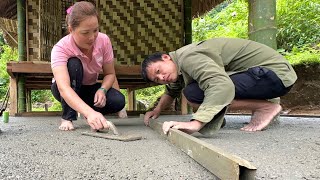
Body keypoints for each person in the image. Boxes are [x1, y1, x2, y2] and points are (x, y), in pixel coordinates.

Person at [141, 38, 297, 136]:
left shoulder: (188, 57)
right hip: (267, 77)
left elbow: (220, 85)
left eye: (159, 71)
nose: (161, 78)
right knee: (193, 91)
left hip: (274, 75)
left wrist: (196, 123)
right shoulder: (178, 67)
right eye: (157, 79)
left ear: (166, 57)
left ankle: (265, 108)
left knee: (194, 93)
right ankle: (263, 107)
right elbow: (172, 90)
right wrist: (157, 110)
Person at [51, 1, 127, 131]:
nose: (92, 37)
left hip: (88, 89)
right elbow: (63, 88)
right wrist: (90, 113)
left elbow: (110, 74)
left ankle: (85, 109)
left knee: (118, 101)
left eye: (95, 30)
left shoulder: (103, 40)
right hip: (65, 89)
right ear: (71, 30)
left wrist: (102, 90)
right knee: (73, 64)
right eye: (85, 33)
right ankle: (68, 117)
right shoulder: (60, 48)